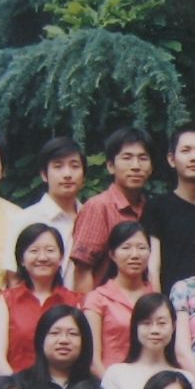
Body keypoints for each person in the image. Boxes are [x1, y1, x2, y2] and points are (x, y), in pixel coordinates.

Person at [69, 127, 154, 296]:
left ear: (151, 167)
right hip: (104, 306)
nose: (136, 166)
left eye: (143, 158)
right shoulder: (99, 207)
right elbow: (83, 270)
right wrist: (89, 309)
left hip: (144, 304)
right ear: (110, 166)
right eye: (127, 158)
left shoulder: (150, 207)